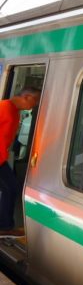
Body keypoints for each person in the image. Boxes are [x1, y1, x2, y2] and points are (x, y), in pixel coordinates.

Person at [0, 87, 41, 236]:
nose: (35, 104)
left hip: (1, 159)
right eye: (35, 100)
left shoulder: (15, 112)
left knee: (11, 188)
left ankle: (5, 226)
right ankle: (5, 227)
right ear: (27, 97)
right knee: (10, 188)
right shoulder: (4, 107)